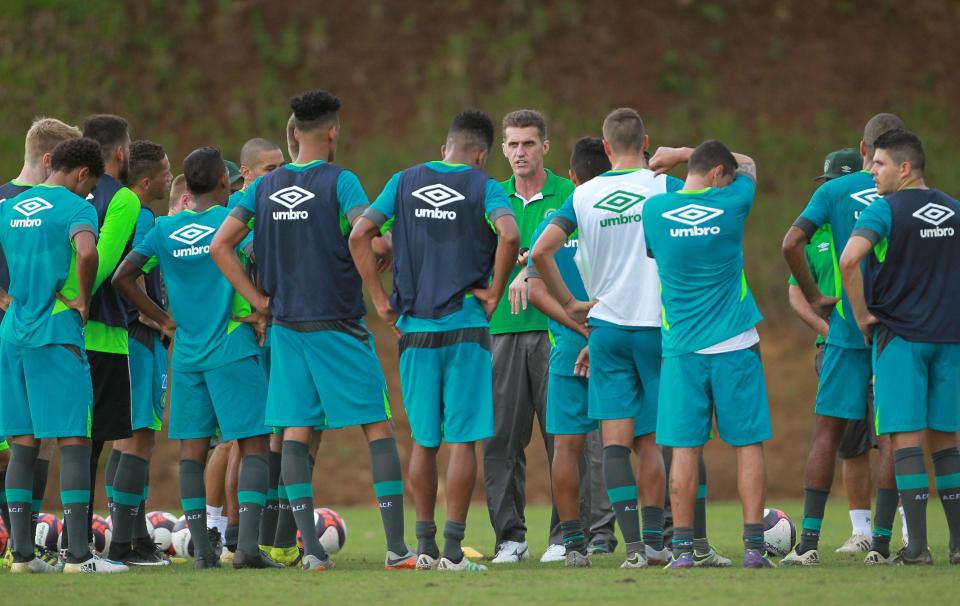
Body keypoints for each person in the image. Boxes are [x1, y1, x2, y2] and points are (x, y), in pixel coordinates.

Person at [211, 89, 414, 572]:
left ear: (293, 133)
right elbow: (361, 233)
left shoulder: (264, 188)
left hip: (287, 327)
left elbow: (222, 246)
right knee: (377, 428)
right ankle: (396, 550)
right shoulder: (341, 182)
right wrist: (384, 258)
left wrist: (260, 301)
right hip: (339, 325)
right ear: (331, 132)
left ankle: (313, 555)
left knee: (296, 434)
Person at [350, 109, 520, 572]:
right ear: (482, 154)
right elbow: (510, 233)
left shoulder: (403, 181)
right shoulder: (486, 187)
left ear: (445, 146)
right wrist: (495, 291)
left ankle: (422, 549)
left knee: (424, 441)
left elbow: (361, 232)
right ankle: (452, 552)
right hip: (466, 326)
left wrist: (380, 300)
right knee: (464, 440)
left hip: (415, 330)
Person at [112, 146, 279, 570]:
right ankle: (247, 549)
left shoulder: (164, 230)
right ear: (225, 182)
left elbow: (123, 277)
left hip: (185, 354)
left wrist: (164, 320)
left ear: (186, 185)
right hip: (231, 348)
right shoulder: (232, 219)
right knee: (255, 444)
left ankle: (203, 553)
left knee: (192, 451)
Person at [532, 108, 677, 569]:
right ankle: (655, 542)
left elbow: (538, 253)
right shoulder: (663, 186)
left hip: (605, 329)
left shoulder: (582, 196)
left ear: (607, 145)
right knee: (651, 441)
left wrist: (572, 305)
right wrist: (685, 156)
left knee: (607, 444)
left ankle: (615, 546)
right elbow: (738, 173)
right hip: (654, 326)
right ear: (646, 142)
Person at [641, 141, 774, 569]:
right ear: (719, 174)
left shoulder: (654, 212)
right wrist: (683, 151)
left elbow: (653, 250)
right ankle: (754, 547)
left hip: (681, 348)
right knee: (747, 445)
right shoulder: (733, 204)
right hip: (736, 343)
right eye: (727, 176)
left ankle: (681, 550)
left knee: (683, 450)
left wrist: (682, 165)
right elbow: (750, 160)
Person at [781, 113, 904, 566]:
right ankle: (885, 546)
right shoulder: (907, 194)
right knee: (892, 436)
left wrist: (815, 297)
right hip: (895, 332)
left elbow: (792, 243)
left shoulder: (831, 192)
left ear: (864, 146)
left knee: (827, 434)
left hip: (846, 332)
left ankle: (808, 545)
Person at [0, 137, 127, 573]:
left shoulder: (10, 204)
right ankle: (78, 556)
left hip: (13, 333)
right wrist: (85, 299)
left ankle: (21, 557)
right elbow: (88, 251)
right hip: (56, 331)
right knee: (74, 440)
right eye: (89, 184)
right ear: (81, 175)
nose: (88, 192)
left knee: (22, 444)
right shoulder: (77, 208)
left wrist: (6, 297)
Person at [839, 129, 960, 566]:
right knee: (946, 442)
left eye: (879, 164)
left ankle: (918, 548)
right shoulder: (954, 209)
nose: (871, 171)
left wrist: (861, 314)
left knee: (906, 441)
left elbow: (849, 259)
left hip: (901, 340)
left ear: (904, 169)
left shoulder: (883, 210)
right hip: (948, 340)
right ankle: (959, 545)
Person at [483, 109, 576, 563]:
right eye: (513, 144)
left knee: (563, 436)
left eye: (528, 143)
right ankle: (510, 538)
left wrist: (530, 267)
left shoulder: (570, 194)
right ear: (502, 149)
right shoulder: (490, 198)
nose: (520, 152)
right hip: (501, 331)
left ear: (545, 147)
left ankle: (564, 536)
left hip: (556, 330)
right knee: (501, 439)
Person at [787, 147, 883, 553]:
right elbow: (797, 296)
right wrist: (823, 326)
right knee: (852, 443)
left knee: (890, 435)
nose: (827, 189)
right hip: (838, 340)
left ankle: (894, 532)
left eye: (830, 182)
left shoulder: (847, 218)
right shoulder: (817, 234)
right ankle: (863, 533)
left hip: (852, 335)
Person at [522, 137, 610, 567]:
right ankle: (648, 541)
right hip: (619, 340)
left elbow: (534, 285)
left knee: (567, 447)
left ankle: (573, 544)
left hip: (568, 347)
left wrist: (575, 322)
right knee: (634, 442)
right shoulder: (625, 217)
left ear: (572, 177)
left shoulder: (561, 220)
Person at [0, 117, 81, 562]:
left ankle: (21, 545)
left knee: (33, 440)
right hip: (18, 335)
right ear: (51, 160)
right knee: (19, 442)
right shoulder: (9, 201)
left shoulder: (46, 204)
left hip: (29, 335)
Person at [104, 140, 172, 566]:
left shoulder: (131, 210)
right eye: (165, 173)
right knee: (139, 439)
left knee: (126, 440)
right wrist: (159, 318)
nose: (169, 177)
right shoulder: (145, 217)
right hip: (141, 339)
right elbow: (131, 275)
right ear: (147, 181)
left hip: (126, 338)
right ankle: (125, 544)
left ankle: (131, 534)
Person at [75, 114, 141, 554]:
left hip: (49, 331)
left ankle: (30, 546)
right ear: (121, 152)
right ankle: (77, 549)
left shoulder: (61, 191)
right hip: (98, 335)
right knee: (90, 447)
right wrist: (74, 299)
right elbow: (103, 260)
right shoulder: (122, 199)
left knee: (40, 443)